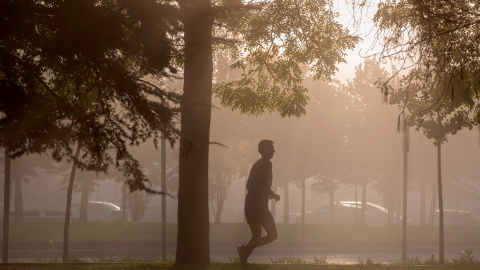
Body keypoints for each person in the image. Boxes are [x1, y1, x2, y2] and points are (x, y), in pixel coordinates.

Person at [237, 139, 280, 264]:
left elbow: (252, 185)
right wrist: (271, 195)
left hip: (250, 204)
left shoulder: (257, 164)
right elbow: (263, 186)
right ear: (265, 150)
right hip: (259, 206)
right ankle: (246, 248)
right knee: (273, 235)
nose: (274, 151)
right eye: (271, 148)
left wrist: (271, 194)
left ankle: (243, 260)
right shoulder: (267, 164)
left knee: (256, 235)